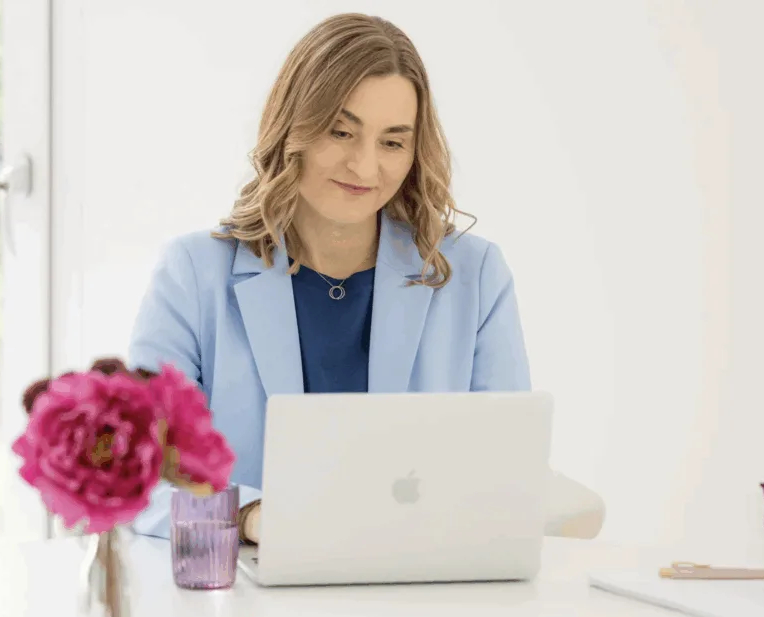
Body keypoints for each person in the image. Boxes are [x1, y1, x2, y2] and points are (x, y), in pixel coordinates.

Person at [128, 13, 605, 544]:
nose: (364, 167)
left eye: (392, 143)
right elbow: (138, 480)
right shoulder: (193, 273)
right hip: (250, 575)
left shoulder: (476, 275)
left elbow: (509, 468)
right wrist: (250, 517)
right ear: (293, 127)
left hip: (423, 571)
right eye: (341, 132)